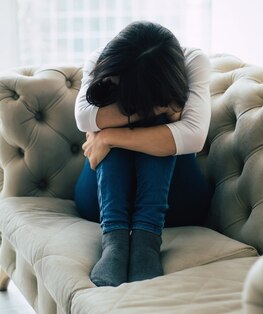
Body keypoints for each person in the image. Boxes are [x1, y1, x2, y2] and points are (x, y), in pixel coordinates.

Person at [74, 21, 212, 287]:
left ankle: (146, 241)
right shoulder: (102, 61)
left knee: (156, 130)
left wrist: (109, 135)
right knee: (156, 126)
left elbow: (194, 135)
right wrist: (157, 109)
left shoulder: (194, 62)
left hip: (176, 201)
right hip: (100, 201)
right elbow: (84, 117)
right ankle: (114, 241)